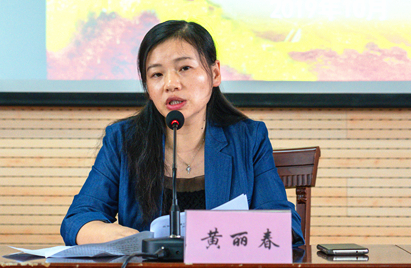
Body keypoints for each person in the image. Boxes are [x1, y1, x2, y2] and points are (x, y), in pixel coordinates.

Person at [60, 20, 304, 246]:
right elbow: (77, 221)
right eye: (157, 74)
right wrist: (121, 237)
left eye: (185, 68)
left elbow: (284, 225)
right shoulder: (122, 140)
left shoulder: (248, 139)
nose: (170, 84)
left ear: (215, 74)